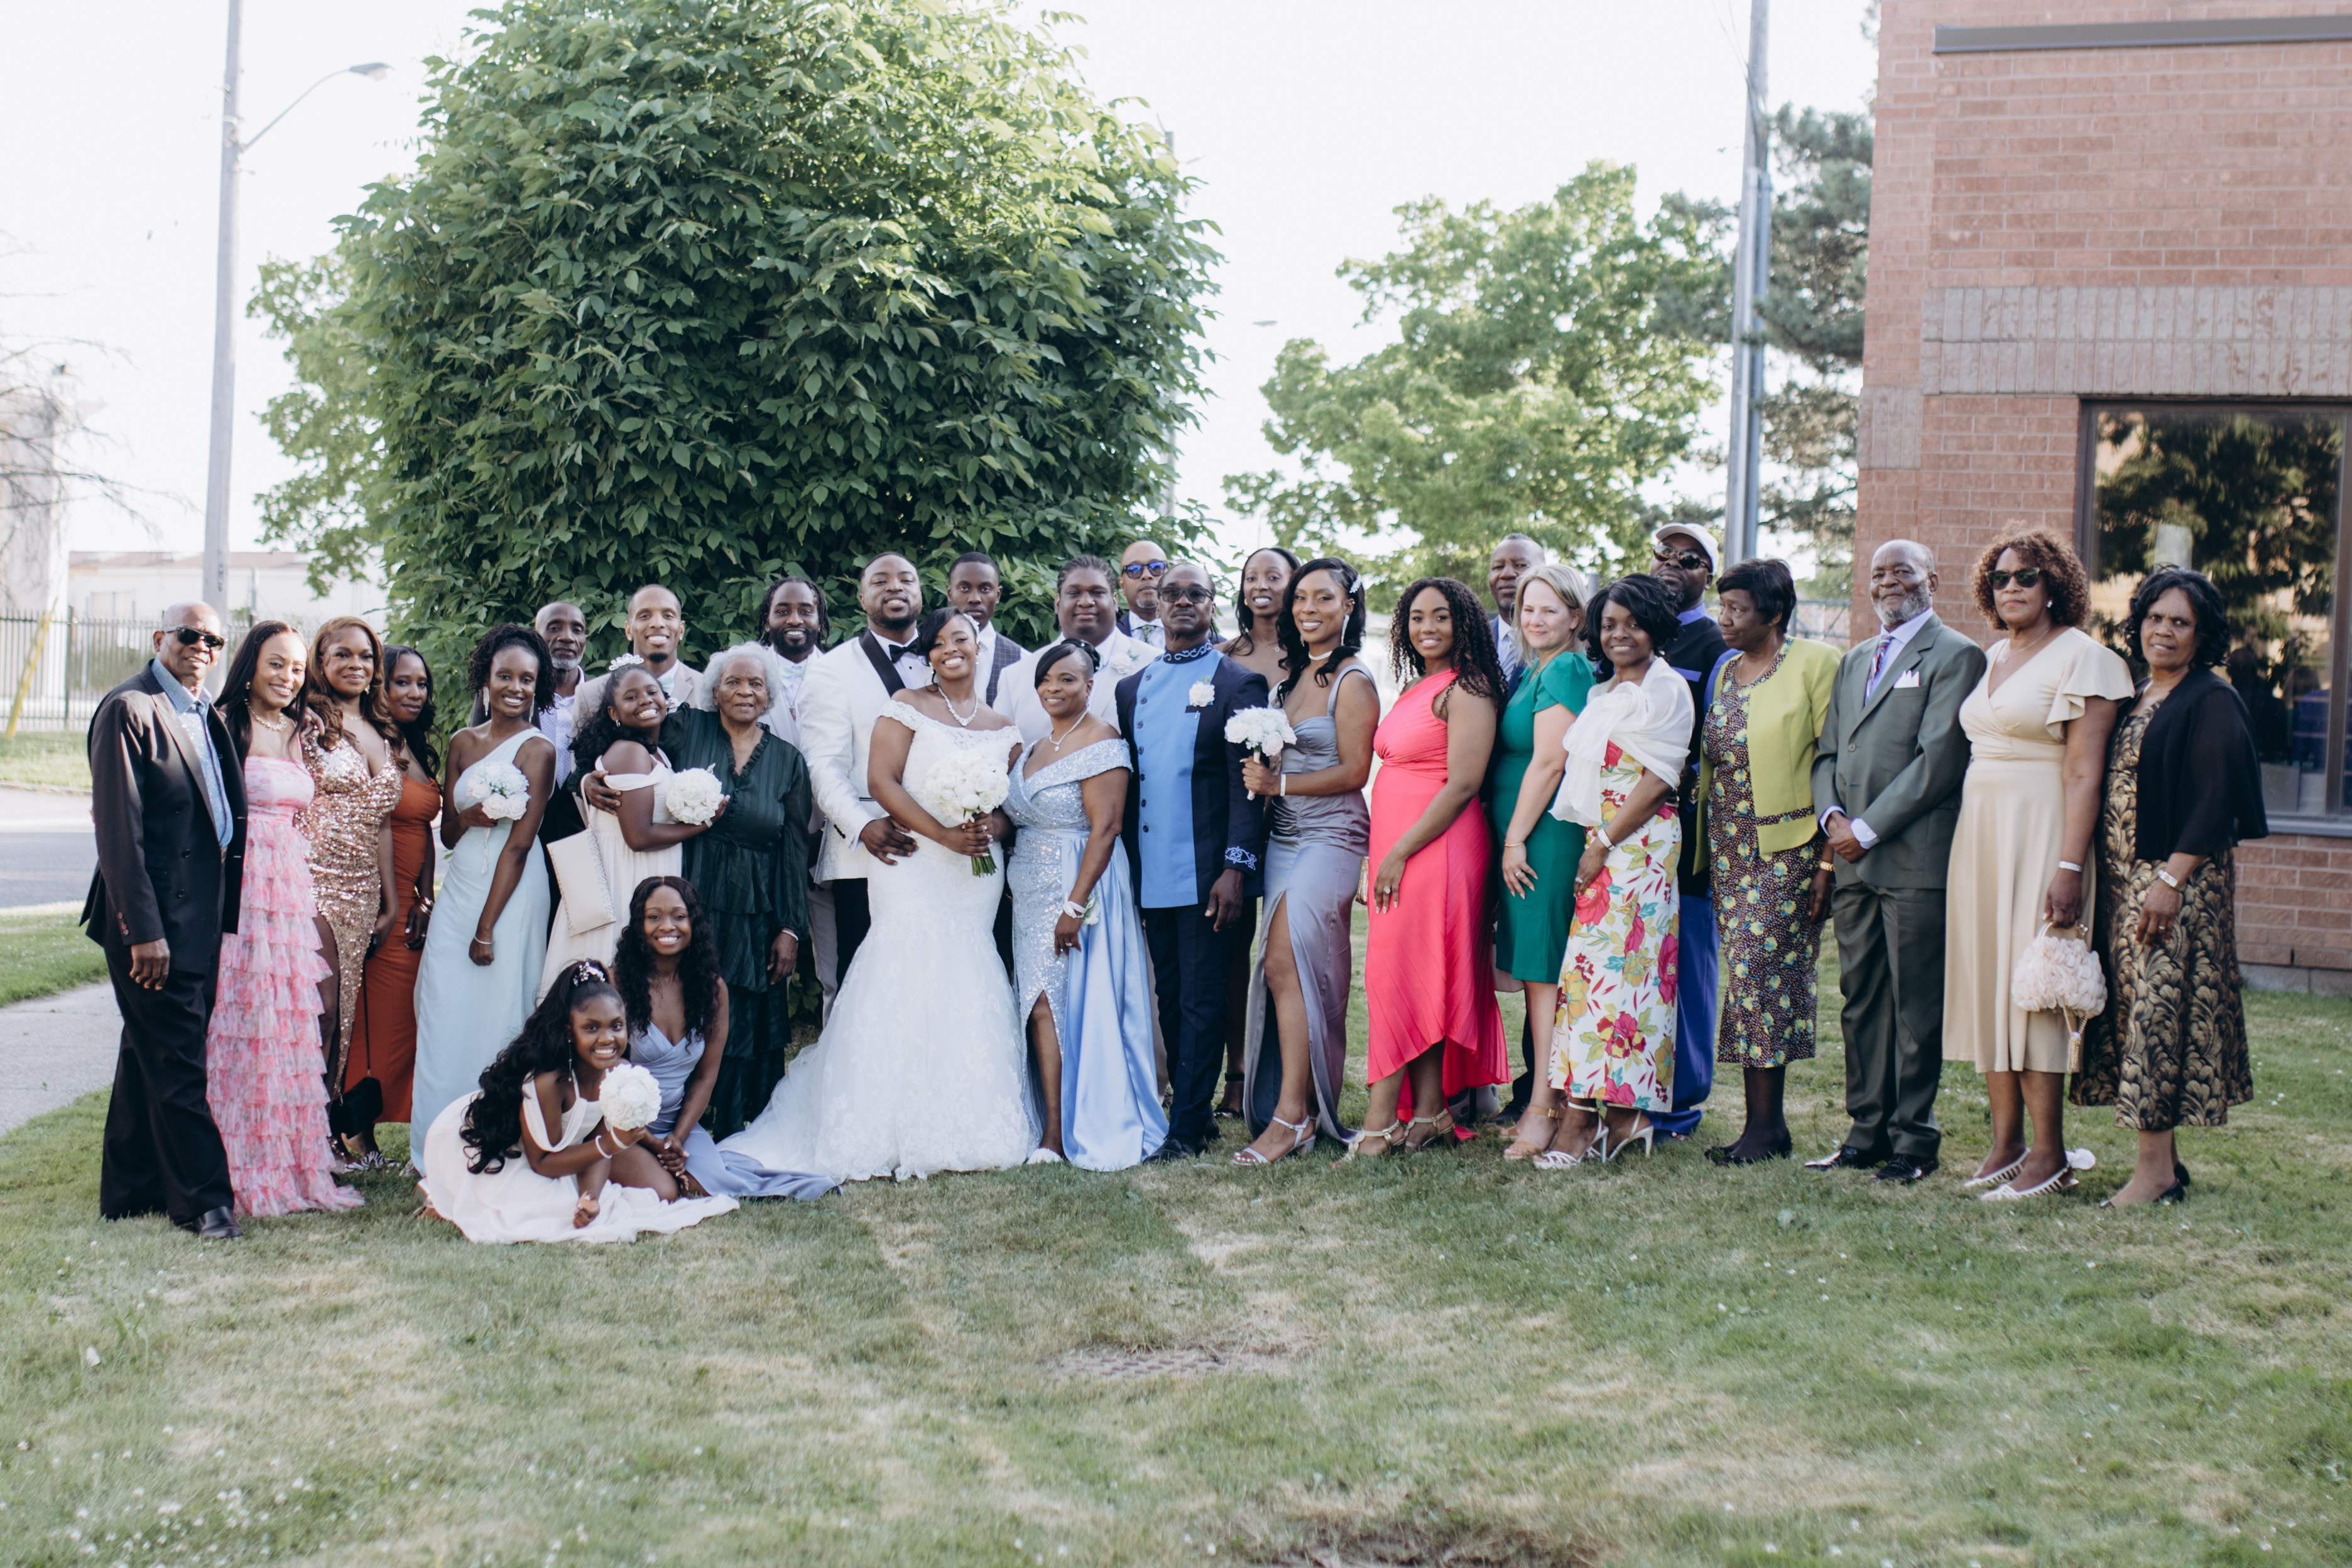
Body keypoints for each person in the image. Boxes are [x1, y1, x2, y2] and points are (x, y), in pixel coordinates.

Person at [721, 609, 1038, 1180]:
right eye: (938, 644)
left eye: (961, 639)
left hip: (975, 873)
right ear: (929, 657)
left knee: (968, 969)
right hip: (912, 860)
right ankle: (883, 1120)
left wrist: (991, 827)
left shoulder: (1004, 727)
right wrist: (942, 835)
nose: (951, 650)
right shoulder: (905, 706)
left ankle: (965, 1118)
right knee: (902, 966)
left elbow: (1009, 808)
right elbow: (881, 782)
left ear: (979, 647)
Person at [1947, 530, 2135, 1200]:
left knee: (2035, 989)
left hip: (2044, 833)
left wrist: (2069, 867)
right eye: (2000, 578)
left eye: (2027, 576)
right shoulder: (1993, 655)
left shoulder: (2085, 659)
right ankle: (2006, 1144)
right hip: (1981, 835)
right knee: (1991, 983)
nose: (2013, 588)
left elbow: (2084, 774)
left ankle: (2049, 1153)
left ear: (2055, 585)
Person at [2076, 569, 2267, 1206]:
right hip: (2127, 883)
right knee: (2139, 1013)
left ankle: (2153, 1175)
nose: (2164, 631)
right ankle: (2167, 1164)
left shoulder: (2211, 698)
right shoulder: (2137, 694)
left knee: (2157, 1018)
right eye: (2155, 618)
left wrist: (2169, 880)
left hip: (2177, 885)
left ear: (2201, 634)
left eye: (2180, 622)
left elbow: (2218, 799)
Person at [1805, 540, 1987, 1184]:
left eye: (1903, 571)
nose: (1888, 582)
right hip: (1851, 857)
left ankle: (1915, 1140)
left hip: (1912, 858)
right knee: (1860, 997)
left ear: (1931, 580)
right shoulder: (1856, 658)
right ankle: (1865, 1133)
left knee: (1914, 1004)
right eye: (1878, 572)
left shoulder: (1957, 655)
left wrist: (1867, 828)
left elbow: (1939, 761)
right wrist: (1832, 820)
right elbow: (1829, 751)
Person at [84, 602, 248, 1239]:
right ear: (160, 638)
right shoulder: (129, 708)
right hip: (152, 924)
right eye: (190, 635)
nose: (202, 646)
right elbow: (117, 833)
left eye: (214, 640)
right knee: (179, 1062)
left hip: (198, 916)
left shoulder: (205, 713)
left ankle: (129, 1190)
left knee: (147, 1052)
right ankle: (206, 1203)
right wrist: (142, 931)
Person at [203, 622, 361, 1219]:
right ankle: (231, 1160)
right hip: (242, 887)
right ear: (250, 665)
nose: (288, 677)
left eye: (297, 668)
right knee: (243, 1017)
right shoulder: (224, 724)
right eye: (276, 664)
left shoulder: (300, 729)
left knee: (289, 1020)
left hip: (290, 887)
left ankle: (290, 1161)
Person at [1348, 577, 1508, 1158]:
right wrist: (1382, 851)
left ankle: (1379, 1124)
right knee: (1417, 977)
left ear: (1464, 622)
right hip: (1403, 845)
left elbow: (1463, 784)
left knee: (1399, 975)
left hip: (1437, 849)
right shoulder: (1419, 685)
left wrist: (1396, 853)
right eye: (1417, 618)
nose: (1428, 628)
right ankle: (1431, 1113)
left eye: (1441, 616)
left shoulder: (1470, 687)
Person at [1114, 564, 1271, 1161]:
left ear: (1212, 605)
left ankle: (1184, 1128)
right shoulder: (1132, 688)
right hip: (1152, 869)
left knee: (1204, 997)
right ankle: (1194, 1112)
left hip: (1209, 873)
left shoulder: (1238, 683)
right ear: (1155, 603)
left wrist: (1236, 870)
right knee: (1172, 996)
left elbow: (1246, 788)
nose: (1182, 602)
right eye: (1172, 594)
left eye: (1195, 594)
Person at [1539, 574, 1693, 1168]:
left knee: (1628, 975)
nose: (1619, 634)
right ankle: (1616, 1117)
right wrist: (1595, 841)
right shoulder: (1604, 692)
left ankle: (1596, 1118)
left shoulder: (1667, 689)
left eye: (1633, 623)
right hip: (1600, 842)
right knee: (1595, 975)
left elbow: (1658, 781)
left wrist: (1603, 843)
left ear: (1656, 628)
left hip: (1639, 846)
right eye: (1609, 625)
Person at [418, 959, 739, 1243]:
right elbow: (543, 1162)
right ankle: (441, 1192)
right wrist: (611, 1144)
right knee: (549, 1213)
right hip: (505, 1149)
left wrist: (591, 1196)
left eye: (616, 1026)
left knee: (664, 1192)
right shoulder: (549, 1082)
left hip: (570, 1152)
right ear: (570, 1032)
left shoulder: (618, 1072)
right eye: (591, 1028)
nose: (607, 1039)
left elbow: (597, 1145)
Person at [1692, 559, 1840, 1165]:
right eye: (1722, 607)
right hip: (1729, 850)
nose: (1725, 619)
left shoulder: (1816, 663)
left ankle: (1765, 1129)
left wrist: (1827, 861)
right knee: (1751, 979)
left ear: (1774, 614)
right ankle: (1765, 1126)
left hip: (1790, 846)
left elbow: (1835, 758)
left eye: (1737, 609)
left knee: (1759, 976)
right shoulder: (1726, 671)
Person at [1234, 558, 1378, 1164]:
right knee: (1282, 970)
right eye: (1301, 599)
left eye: (1324, 598)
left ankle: (1293, 1115)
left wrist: (1281, 786)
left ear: (1349, 606)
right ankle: (1299, 1104)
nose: (1308, 609)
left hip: (1332, 835)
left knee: (1283, 958)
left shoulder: (1353, 679)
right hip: (1284, 839)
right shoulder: (1288, 681)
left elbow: (1355, 771)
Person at [1004, 640, 1164, 1168]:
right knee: (1038, 1002)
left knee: (1066, 1003)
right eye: (1046, 680)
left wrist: (1074, 907)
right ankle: (1048, 1120)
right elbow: (1018, 817)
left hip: (1081, 888)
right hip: (1030, 893)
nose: (1055, 688)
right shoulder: (1035, 747)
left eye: (1068, 679)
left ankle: (1060, 1133)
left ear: (1090, 686)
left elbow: (1107, 828)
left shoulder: (1102, 740)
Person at [411, 626, 559, 1141]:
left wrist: (486, 928)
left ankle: (493, 1133)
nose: (516, 688)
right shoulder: (462, 742)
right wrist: (471, 816)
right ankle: (433, 1141)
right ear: (486, 680)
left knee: (498, 1013)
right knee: (442, 1005)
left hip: (509, 895)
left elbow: (519, 846)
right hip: (461, 886)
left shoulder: (539, 750)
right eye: (505, 676)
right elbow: (449, 833)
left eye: (527, 679)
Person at [614, 877, 834, 1199]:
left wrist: (677, 1138)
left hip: (678, 1124)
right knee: (667, 1191)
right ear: (639, 925)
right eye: (654, 917)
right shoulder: (617, 984)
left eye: (679, 916)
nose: (667, 926)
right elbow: (605, 1075)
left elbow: (706, 1078)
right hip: (623, 1125)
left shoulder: (712, 989)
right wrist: (651, 1141)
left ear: (694, 922)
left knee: (709, 1184)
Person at [671, 646, 815, 1134]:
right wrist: (591, 777)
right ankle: (677, 1120)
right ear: (714, 692)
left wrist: (791, 928)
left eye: (756, 684)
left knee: (743, 1013)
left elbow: (794, 851)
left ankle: (735, 1124)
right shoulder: (687, 730)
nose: (745, 692)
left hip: (757, 911)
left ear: (769, 696)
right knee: (686, 1003)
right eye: (733, 682)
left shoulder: (788, 761)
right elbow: (627, 743)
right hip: (689, 901)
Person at [1488, 564, 1594, 1158]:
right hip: (1525, 834)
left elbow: (1550, 762)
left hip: (1543, 838)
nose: (1535, 619)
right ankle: (1544, 1101)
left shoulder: (1569, 669)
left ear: (1575, 617)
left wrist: (1515, 840)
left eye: (1550, 609)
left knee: (1544, 975)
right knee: (1535, 973)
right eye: (1528, 608)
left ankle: (1545, 1109)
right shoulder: (1537, 669)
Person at [298, 615, 405, 1163]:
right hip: (312, 879)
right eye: (342, 654)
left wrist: (390, 899)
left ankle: (324, 1133)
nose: (355, 664)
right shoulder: (306, 721)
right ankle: (300, 1131)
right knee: (318, 1007)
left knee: (343, 1017)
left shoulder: (382, 730)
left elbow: (382, 821)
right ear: (321, 661)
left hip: (363, 891)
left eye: (365, 656)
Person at [798, 553, 930, 996]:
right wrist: (862, 826)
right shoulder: (830, 669)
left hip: (944, 850)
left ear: (920, 593)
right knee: (868, 988)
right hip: (868, 854)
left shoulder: (947, 657)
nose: (895, 587)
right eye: (880, 581)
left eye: (906, 579)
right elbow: (823, 764)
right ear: (861, 598)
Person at [540, 665, 710, 993]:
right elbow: (638, 836)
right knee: (612, 971)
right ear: (613, 713)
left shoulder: (656, 753)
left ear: (665, 699)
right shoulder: (629, 752)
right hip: (624, 878)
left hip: (644, 872)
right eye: (631, 697)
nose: (645, 700)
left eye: (651, 692)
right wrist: (704, 823)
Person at [1644, 523, 1729, 1141]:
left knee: (1690, 966)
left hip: (1688, 832)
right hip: (1628, 830)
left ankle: (1682, 1101)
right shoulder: (1633, 631)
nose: (1674, 564)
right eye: (1665, 554)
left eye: (1691, 559)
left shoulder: (1717, 645)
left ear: (1710, 576)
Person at [344, 645, 442, 1164]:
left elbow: (423, 827)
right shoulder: (364, 741)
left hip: (412, 902)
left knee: (403, 1018)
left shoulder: (414, 745)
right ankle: (354, 1132)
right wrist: (390, 901)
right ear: (379, 686)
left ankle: (370, 1121)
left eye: (421, 684)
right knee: (371, 1018)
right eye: (402, 682)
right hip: (377, 897)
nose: (414, 693)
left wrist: (426, 898)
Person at [1215, 544, 1298, 1118]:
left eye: (1274, 576)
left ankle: (1286, 1074)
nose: (1260, 585)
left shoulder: (1310, 657)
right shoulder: (1224, 658)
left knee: (1284, 956)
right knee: (1231, 952)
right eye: (1251, 577)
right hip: (1237, 821)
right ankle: (1237, 1072)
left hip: (1296, 817)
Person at [998, 556, 1160, 741]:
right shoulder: (1015, 677)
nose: (1086, 602)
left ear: (1115, 601)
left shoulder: (1154, 666)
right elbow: (1002, 753)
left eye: (1097, 593)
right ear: (1057, 603)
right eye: (1074, 593)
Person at [575, 584, 701, 716]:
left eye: (668, 616)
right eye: (645, 616)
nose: (657, 624)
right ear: (628, 630)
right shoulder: (590, 696)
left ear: (681, 630)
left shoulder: (708, 691)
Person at [753, 574, 829, 744]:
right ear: (767, 622)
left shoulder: (841, 674)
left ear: (820, 622)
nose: (795, 620)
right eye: (783, 612)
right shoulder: (746, 674)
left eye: (806, 612)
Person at [947, 551, 1027, 706]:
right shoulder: (927, 655)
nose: (975, 599)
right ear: (950, 593)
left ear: (998, 595)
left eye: (985, 589)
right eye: (964, 588)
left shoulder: (1022, 661)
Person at [1488, 534, 1545, 687]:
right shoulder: (1470, 641)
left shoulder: (1564, 643)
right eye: (1498, 567)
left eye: (1520, 565)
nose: (1506, 574)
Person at [1116, 539, 1169, 648]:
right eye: (1134, 569)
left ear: (1170, 577)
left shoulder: (1197, 635)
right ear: (1122, 585)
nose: (1146, 575)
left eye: (1156, 567)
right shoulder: (1107, 637)